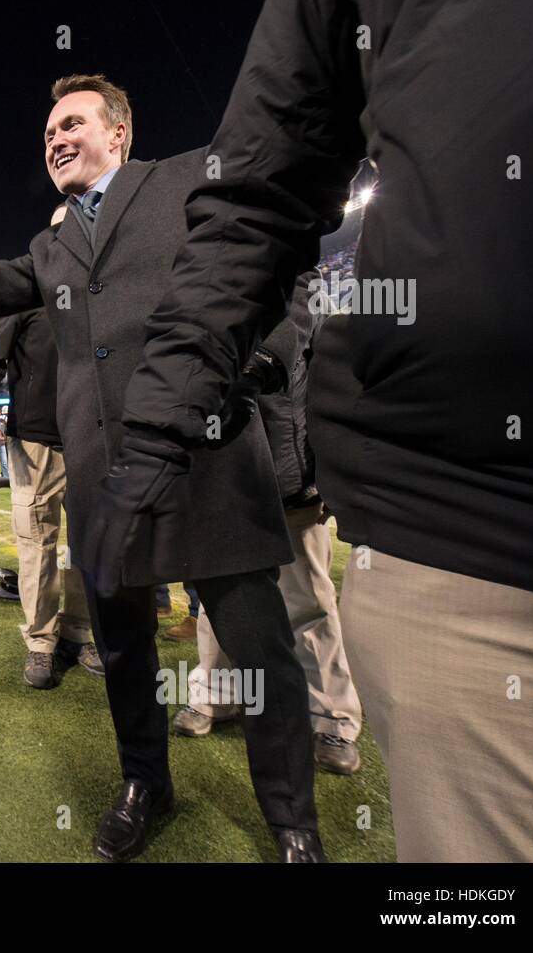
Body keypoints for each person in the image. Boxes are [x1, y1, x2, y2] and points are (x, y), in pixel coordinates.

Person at [108, 0, 533, 861]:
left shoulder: (277, 284)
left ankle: (323, 748)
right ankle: (223, 706)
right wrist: (160, 425)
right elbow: (256, 201)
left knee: (305, 610)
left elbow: (279, 316)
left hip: (302, 473)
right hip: (487, 528)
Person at [0, 72, 322, 861]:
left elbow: (270, 256)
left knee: (263, 654)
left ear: (120, 134)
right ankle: (146, 782)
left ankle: (292, 822)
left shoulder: (183, 178)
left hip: (209, 462)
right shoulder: (50, 245)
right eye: (47, 134)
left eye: (71, 123)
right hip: (108, 481)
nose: (55, 139)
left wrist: (270, 360)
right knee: (125, 653)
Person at [172, 274, 363, 776]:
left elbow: (330, 390)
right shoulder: (207, 281)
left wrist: (324, 480)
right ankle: (217, 693)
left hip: (289, 476)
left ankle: (331, 716)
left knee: (309, 602)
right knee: (222, 597)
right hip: (227, 477)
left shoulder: (303, 287)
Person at [0, 205, 100, 688]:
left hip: (94, 438)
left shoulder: (101, 284)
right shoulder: (25, 289)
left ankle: (81, 631)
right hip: (37, 441)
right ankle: (41, 641)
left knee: (91, 543)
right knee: (37, 544)